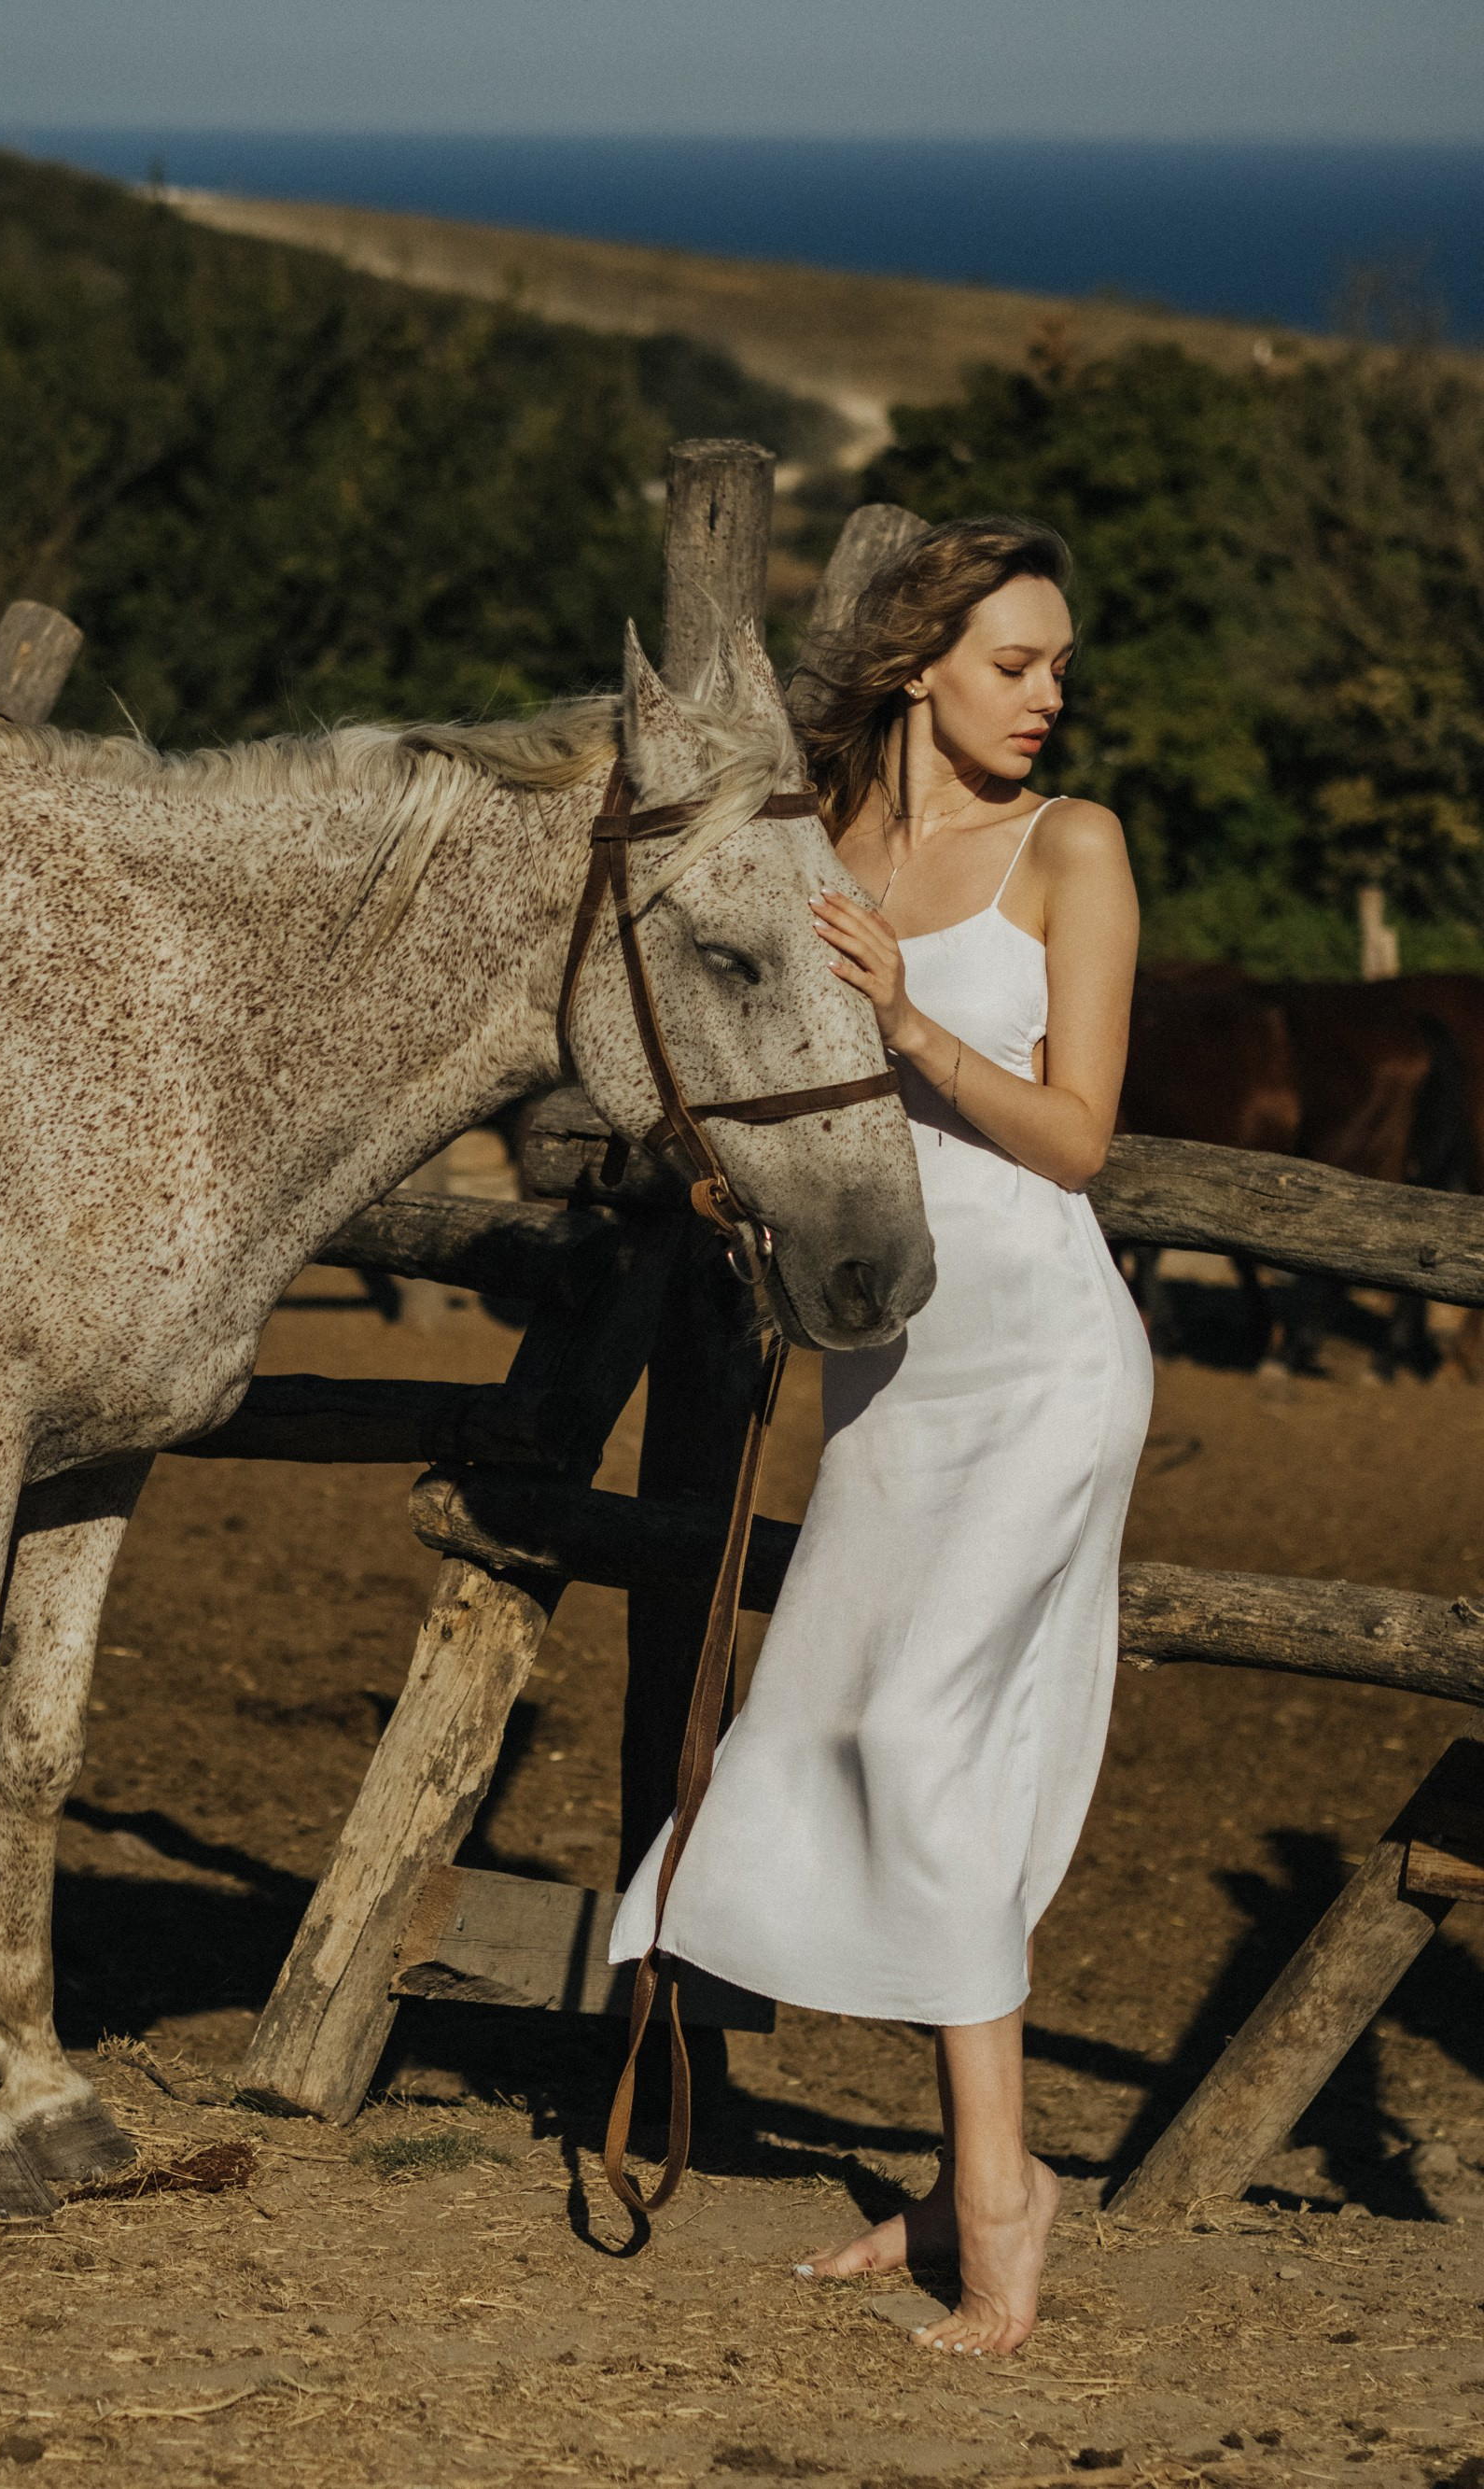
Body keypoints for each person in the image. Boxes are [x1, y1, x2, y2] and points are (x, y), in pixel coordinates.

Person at [610, 515, 1153, 2355]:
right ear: (920, 665)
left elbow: (1078, 1137)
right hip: (891, 1373)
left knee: (919, 1740)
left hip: (1046, 1361)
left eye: (1058, 664)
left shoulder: (1073, 847)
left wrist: (913, 1022)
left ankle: (995, 2201)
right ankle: (968, 2175)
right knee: (853, 1736)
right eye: (1015, 662)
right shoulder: (824, 845)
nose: (1048, 693)